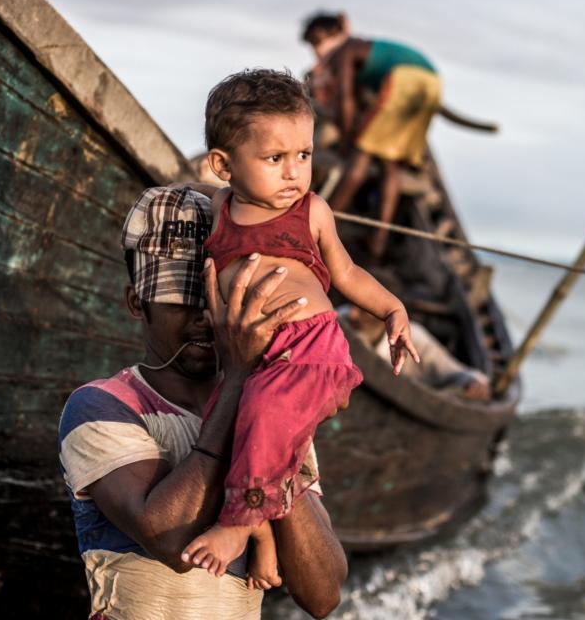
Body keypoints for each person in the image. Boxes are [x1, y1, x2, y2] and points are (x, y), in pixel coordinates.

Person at [57, 186, 347, 619]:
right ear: (137, 302)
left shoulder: (273, 411)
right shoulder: (101, 406)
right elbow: (171, 541)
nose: (207, 313)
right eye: (185, 295)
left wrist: (270, 434)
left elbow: (322, 594)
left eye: (223, 292)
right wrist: (239, 383)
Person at [177, 69, 420, 580]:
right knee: (226, 431)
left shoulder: (312, 212)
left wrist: (393, 310)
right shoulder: (218, 207)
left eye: (303, 156)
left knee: (263, 419)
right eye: (274, 158)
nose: (294, 173)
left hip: (310, 349)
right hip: (250, 353)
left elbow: (347, 273)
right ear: (223, 165)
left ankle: (238, 527)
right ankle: (264, 537)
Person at [301, 11, 443, 256]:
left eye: (318, 42)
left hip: (406, 81)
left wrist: (347, 143)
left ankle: (316, 231)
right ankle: (379, 239)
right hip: (432, 82)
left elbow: (346, 99)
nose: (318, 51)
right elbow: (353, 100)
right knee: (390, 164)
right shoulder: (363, 50)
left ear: (337, 33)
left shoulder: (346, 50)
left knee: (360, 157)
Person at [339, 305, 491, 401]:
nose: (353, 314)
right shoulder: (343, 318)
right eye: (355, 304)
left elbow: (457, 372)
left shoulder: (414, 340)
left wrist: (474, 384)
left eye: (364, 310)